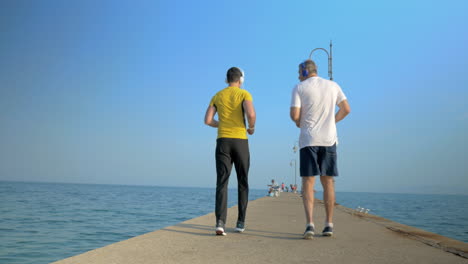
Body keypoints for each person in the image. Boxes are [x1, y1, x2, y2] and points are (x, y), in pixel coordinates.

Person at [290, 59, 350, 239]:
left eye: (299, 72)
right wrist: (331, 121)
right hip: (329, 139)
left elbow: (294, 114)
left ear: (305, 72)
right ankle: (329, 224)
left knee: (308, 182)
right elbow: (346, 109)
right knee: (328, 181)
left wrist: (298, 122)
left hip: (309, 140)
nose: (298, 75)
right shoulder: (333, 85)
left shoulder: (299, 87)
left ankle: (310, 225)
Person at [204, 67, 256, 236]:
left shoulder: (217, 95)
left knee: (222, 182)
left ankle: (220, 223)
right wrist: (251, 127)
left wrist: (221, 124)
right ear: (241, 80)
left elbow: (208, 120)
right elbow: (251, 114)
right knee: (243, 181)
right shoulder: (244, 94)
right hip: (240, 141)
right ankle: (240, 222)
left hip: (223, 142)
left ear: (227, 80)